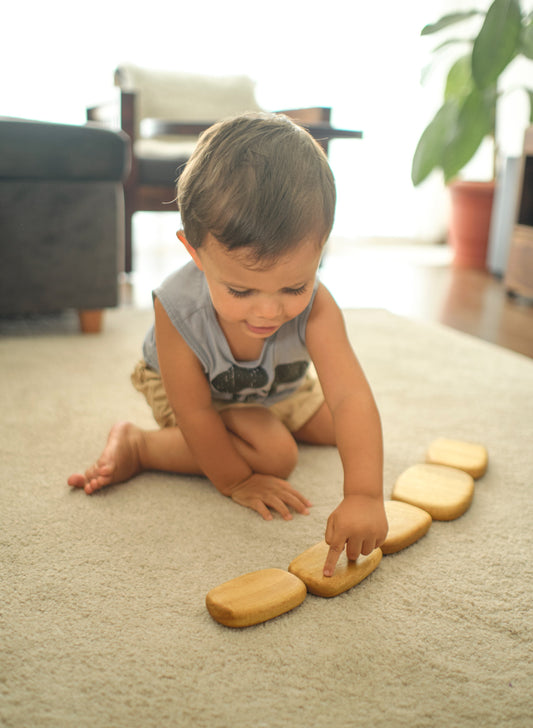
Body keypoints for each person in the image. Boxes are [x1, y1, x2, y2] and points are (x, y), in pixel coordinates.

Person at [68, 112, 388, 577]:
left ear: (321, 251)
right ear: (194, 253)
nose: (268, 312)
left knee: (341, 430)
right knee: (277, 455)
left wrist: (365, 494)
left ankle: (254, 417)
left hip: (275, 383)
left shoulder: (318, 307)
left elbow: (350, 396)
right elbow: (196, 412)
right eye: (241, 291)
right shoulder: (176, 310)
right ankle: (142, 447)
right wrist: (235, 480)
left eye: (294, 287)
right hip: (194, 391)